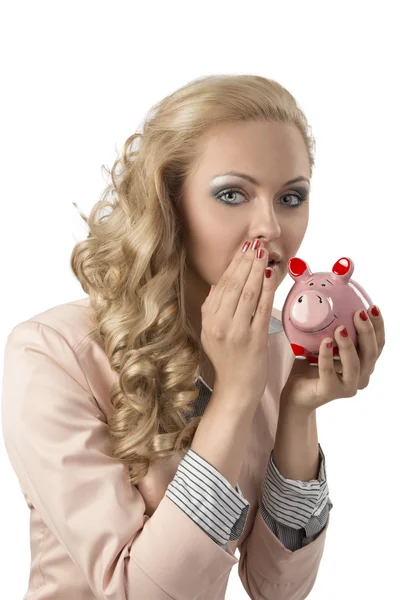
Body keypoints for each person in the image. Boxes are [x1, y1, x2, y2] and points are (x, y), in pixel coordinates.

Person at [1, 74, 385, 600]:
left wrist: (298, 407)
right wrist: (235, 394)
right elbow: (140, 593)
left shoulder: (270, 340)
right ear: (169, 203)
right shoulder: (50, 354)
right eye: (233, 194)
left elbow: (278, 588)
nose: (270, 227)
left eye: (291, 197)